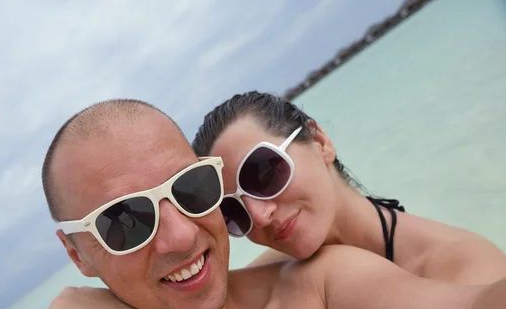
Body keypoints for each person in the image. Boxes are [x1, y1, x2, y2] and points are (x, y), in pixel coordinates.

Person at [12, 98, 506, 309]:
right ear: (77, 254)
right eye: (123, 221)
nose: (182, 235)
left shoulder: (323, 286)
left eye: (190, 188)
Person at [191, 91, 506, 286]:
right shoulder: (271, 280)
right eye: (233, 210)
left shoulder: (466, 275)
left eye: (262, 174)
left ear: (320, 143)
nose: (259, 216)